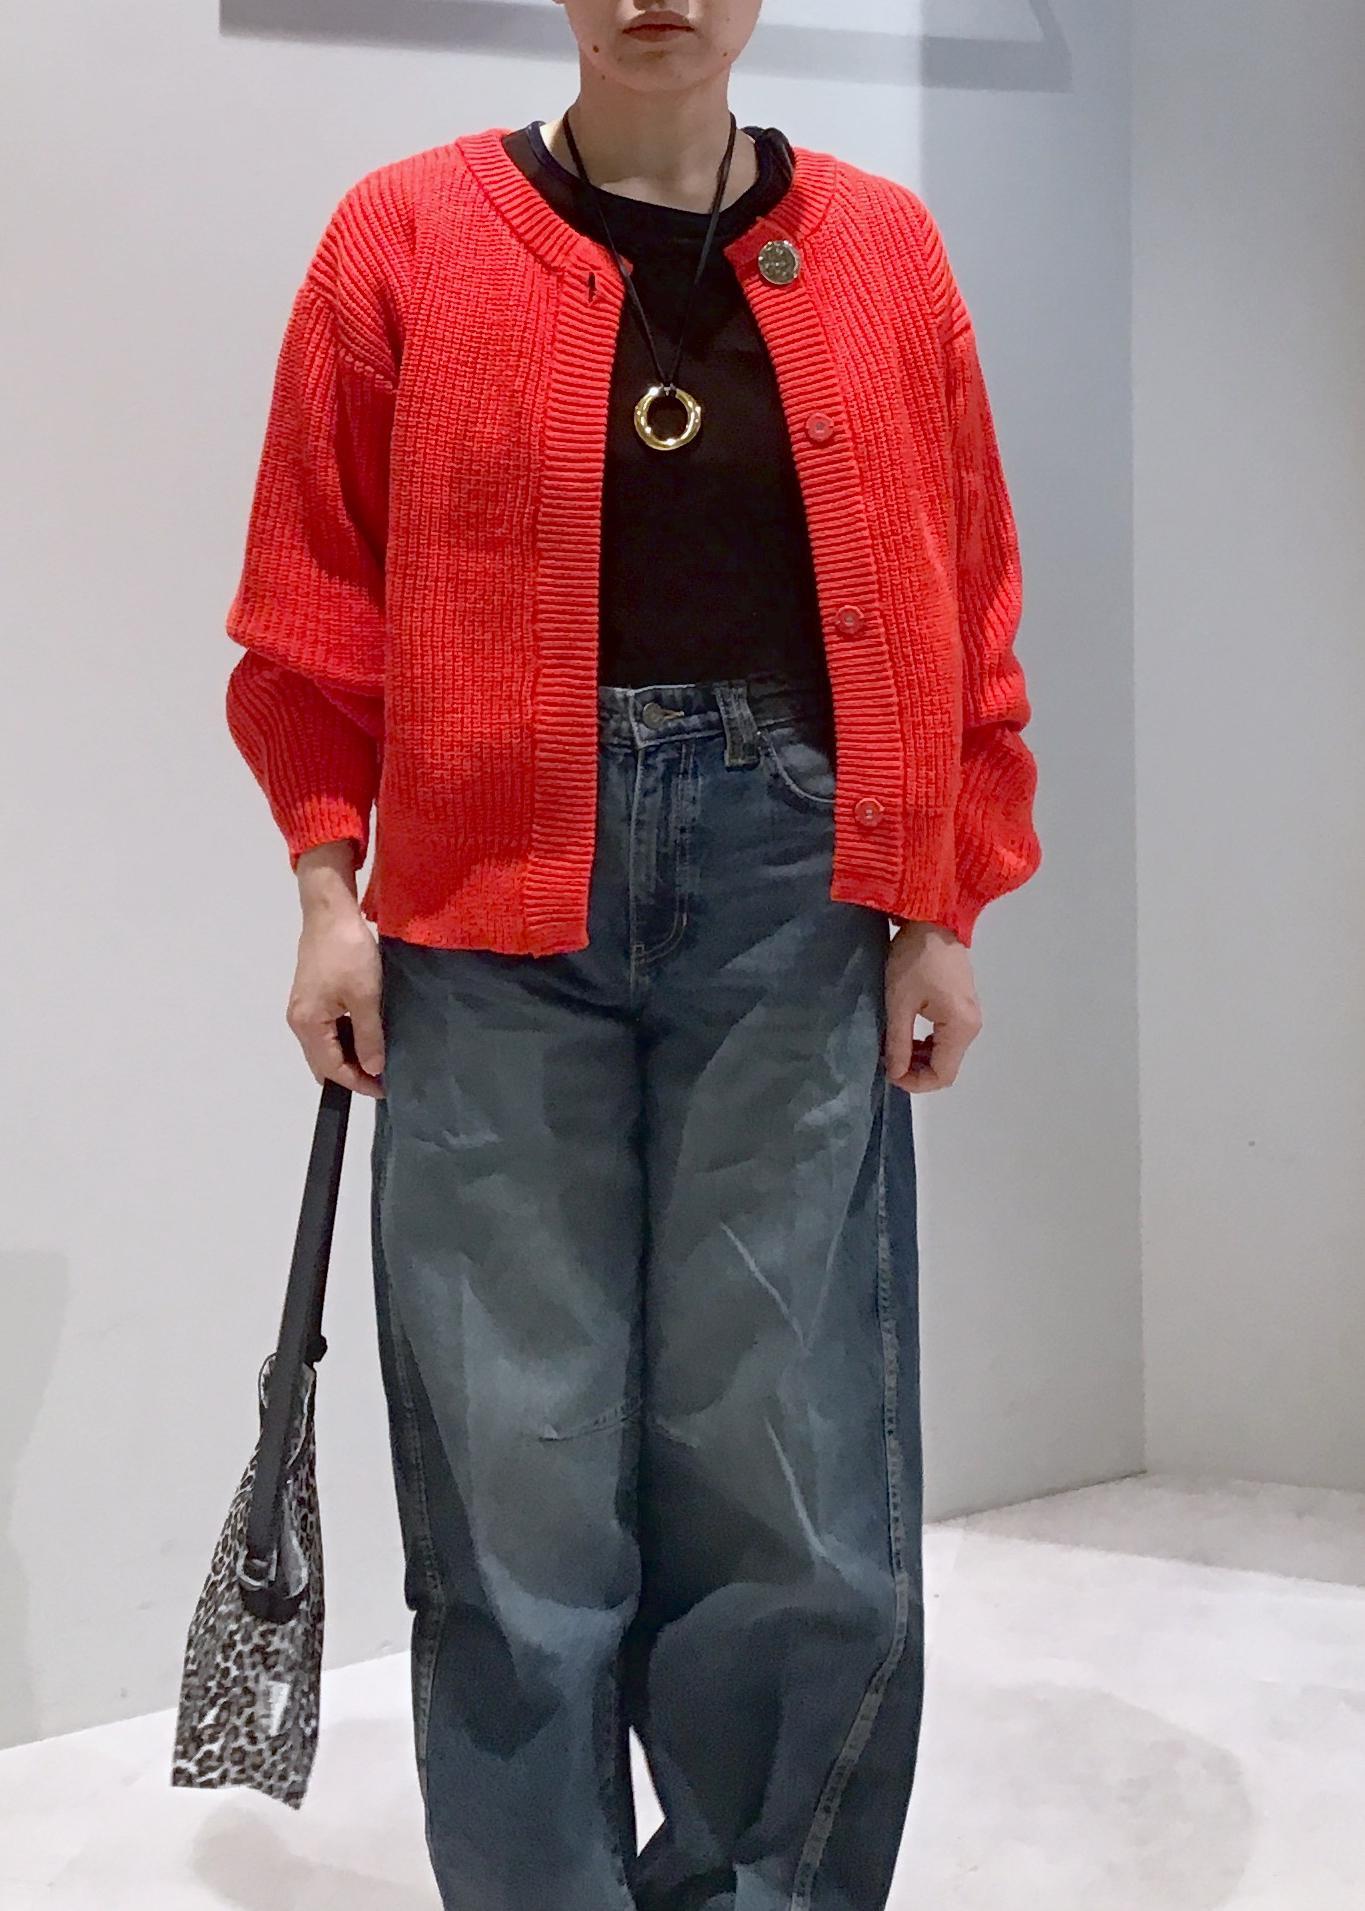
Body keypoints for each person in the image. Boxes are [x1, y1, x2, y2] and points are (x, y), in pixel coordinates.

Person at [222, 3, 1041, 1904]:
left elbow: (967, 588)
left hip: (797, 894)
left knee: (789, 1457)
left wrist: (942, 904)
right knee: (514, 1472)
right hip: (483, 905)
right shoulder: (403, 235)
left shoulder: (881, 249)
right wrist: (328, 894)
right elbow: (312, 600)